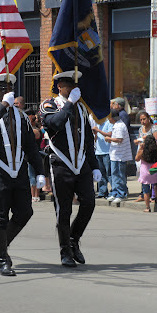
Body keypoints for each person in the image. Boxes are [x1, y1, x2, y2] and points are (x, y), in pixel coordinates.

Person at [0, 73, 45, 276]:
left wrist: (39, 171)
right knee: (0, 217)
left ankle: (1, 243)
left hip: (19, 171)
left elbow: (31, 146)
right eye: (3, 89)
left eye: (10, 89)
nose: (7, 93)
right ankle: (3, 259)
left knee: (25, 212)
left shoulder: (21, 115)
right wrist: (3, 106)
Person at [40, 70, 101, 268]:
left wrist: (95, 166)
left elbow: (88, 141)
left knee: (89, 203)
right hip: (60, 163)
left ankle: (74, 239)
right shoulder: (49, 105)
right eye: (70, 86)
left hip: (81, 163)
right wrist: (69, 103)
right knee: (63, 210)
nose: (75, 89)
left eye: (76, 86)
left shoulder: (82, 109)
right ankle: (65, 251)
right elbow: (54, 124)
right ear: (60, 86)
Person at [105, 109, 133, 204]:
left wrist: (109, 139)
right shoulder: (116, 125)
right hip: (115, 155)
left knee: (120, 175)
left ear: (112, 118)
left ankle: (122, 194)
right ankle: (115, 192)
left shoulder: (120, 126)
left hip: (121, 155)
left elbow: (119, 139)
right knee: (114, 174)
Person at [134, 111, 157, 202]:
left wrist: (146, 139)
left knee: (153, 175)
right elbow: (139, 138)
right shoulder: (141, 129)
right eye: (141, 120)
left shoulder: (154, 128)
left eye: (144, 119)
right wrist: (137, 141)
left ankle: (154, 196)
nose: (142, 121)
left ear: (149, 118)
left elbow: (156, 140)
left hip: (152, 154)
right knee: (143, 174)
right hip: (142, 152)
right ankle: (143, 194)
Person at [135, 135, 157, 212]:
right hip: (154, 170)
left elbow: (137, 159)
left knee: (146, 190)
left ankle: (147, 207)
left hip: (145, 172)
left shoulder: (142, 151)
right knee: (156, 184)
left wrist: (140, 148)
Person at [91, 117, 113, 198]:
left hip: (107, 151)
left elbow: (110, 134)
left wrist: (99, 131)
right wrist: (96, 134)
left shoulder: (108, 123)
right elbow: (96, 139)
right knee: (101, 173)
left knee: (109, 173)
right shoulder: (98, 125)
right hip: (98, 151)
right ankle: (102, 191)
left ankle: (113, 191)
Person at [24, 108, 42, 202]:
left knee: (33, 176)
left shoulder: (34, 130)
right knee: (33, 176)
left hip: (34, 155)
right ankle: (34, 195)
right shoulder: (35, 129)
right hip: (31, 155)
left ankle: (35, 195)